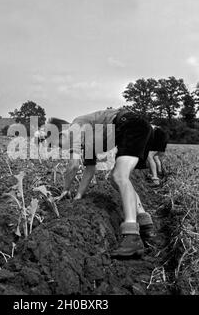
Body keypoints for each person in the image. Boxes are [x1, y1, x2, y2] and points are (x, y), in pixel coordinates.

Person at [44, 108, 155, 258]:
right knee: (117, 179)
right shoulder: (88, 139)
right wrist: (78, 196)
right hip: (136, 127)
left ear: (62, 134)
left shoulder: (76, 126)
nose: (60, 149)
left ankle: (131, 235)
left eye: (58, 144)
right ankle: (144, 223)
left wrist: (65, 189)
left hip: (130, 125)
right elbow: (89, 170)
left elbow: (74, 165)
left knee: (119, 176)